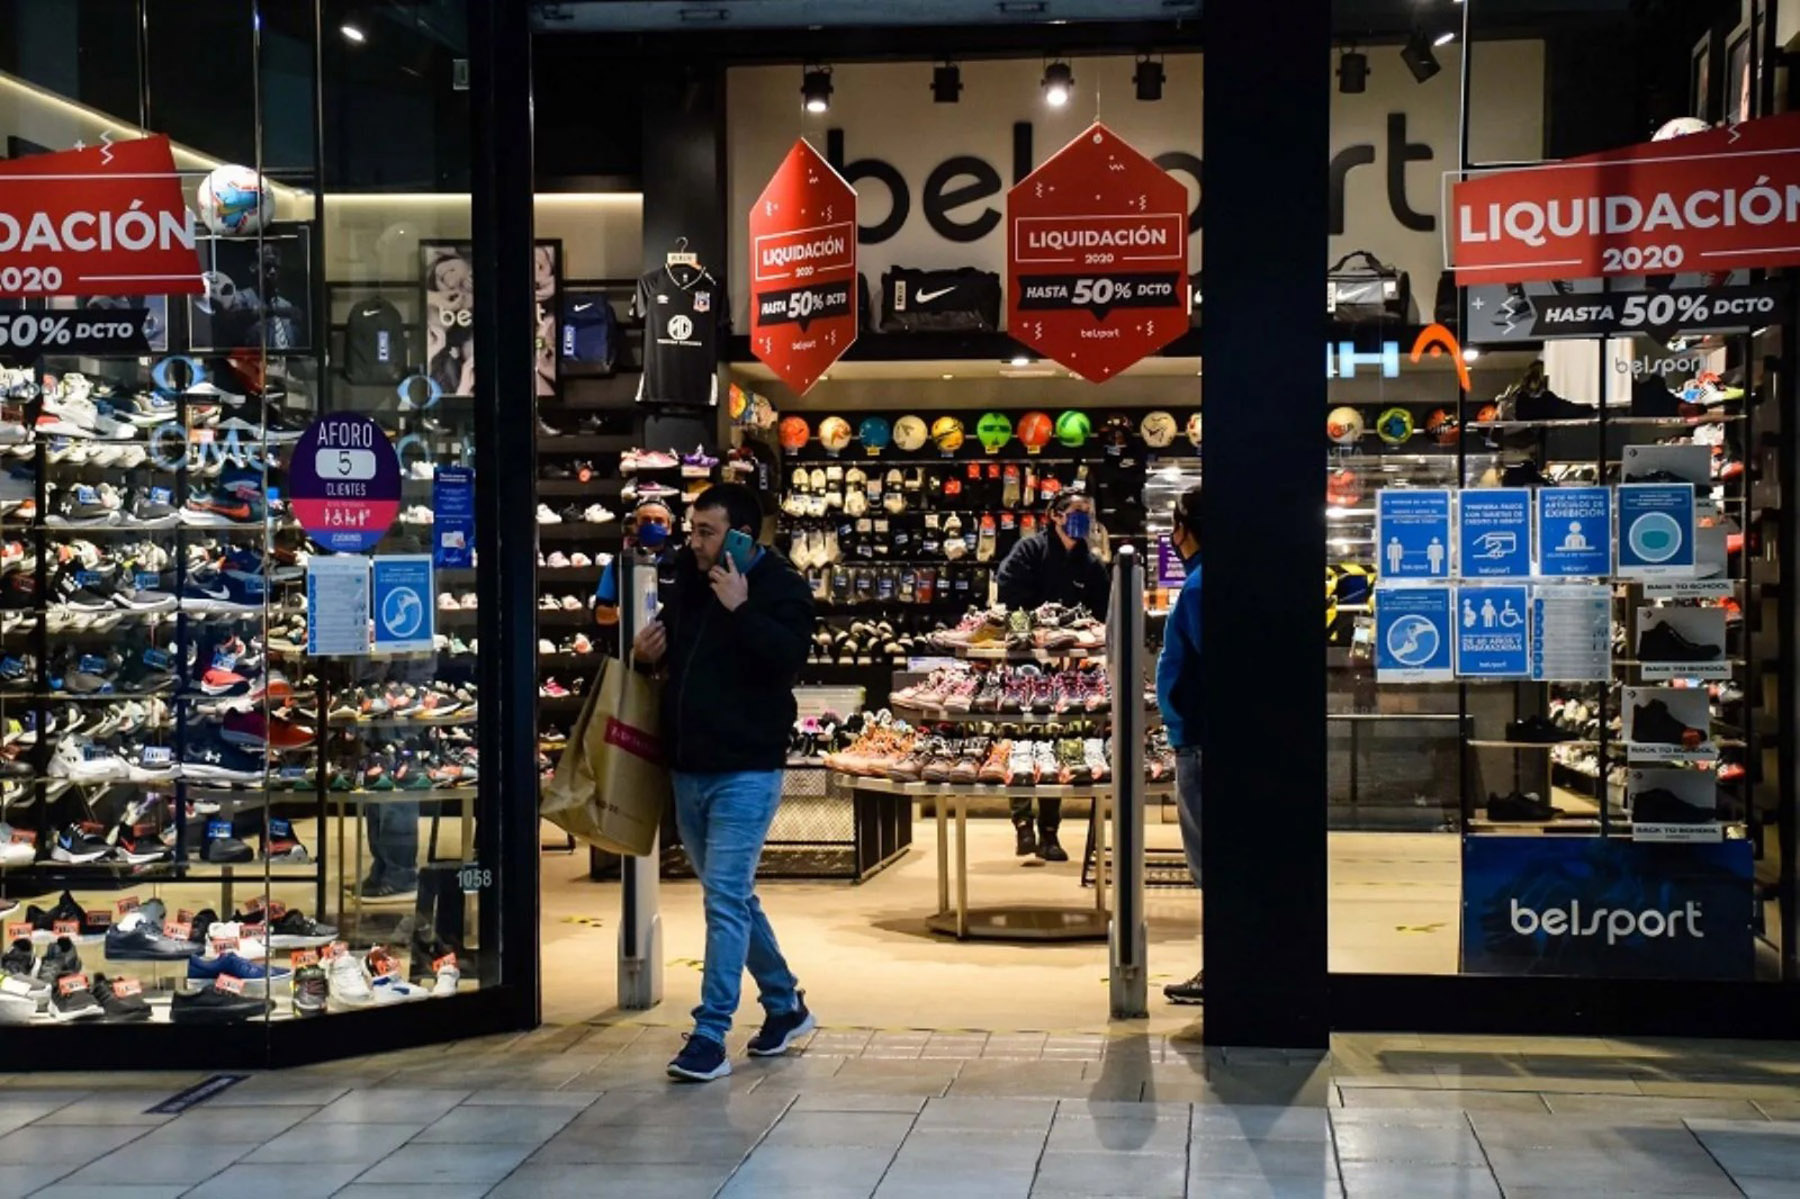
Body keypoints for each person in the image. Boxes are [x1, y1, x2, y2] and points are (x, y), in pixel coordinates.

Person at [631, 482, 818, 1082]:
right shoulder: (689, 577)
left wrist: (742, 607)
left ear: (741, 533)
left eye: (707, 532)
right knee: (732, 896)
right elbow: (676, 653)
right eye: (693, 530)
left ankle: (711, 1033)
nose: (695, 541)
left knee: (723, 900)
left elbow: (787, 660)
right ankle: (784, 1003)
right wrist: (644, 655)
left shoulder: (780, 587)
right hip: (689, 765)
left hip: (747, 768)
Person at [994, 489, 1111, 861]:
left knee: (1064, 743)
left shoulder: (1091, 564)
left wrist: (1082, 646)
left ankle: (1050, 832)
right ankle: (1021, 823)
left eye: (1088, 513)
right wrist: (1030, 636)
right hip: (1026, 663)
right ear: (1055, 515)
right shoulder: (1029, 551)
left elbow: (1100, 616)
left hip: (1070, 672)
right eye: (1076, 512)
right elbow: (1009, 596)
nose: (1083, 520)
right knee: (1023, 740)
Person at [1157, 485, 1204, 1004]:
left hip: (1199, 741)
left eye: (1175, 527)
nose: (1172, 538)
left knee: (1208, 862)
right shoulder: (1201, 582)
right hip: (1195, 736)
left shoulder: (1198, 588)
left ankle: (1223, 968)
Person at [594, 498, 677, 627]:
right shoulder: (619, 562)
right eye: (646, 520)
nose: (652, 524)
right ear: (636, 526)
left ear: (669, 527)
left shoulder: (682, 563)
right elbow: (599, 614)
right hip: (631, 642)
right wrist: (623, 612)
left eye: (659, 521)